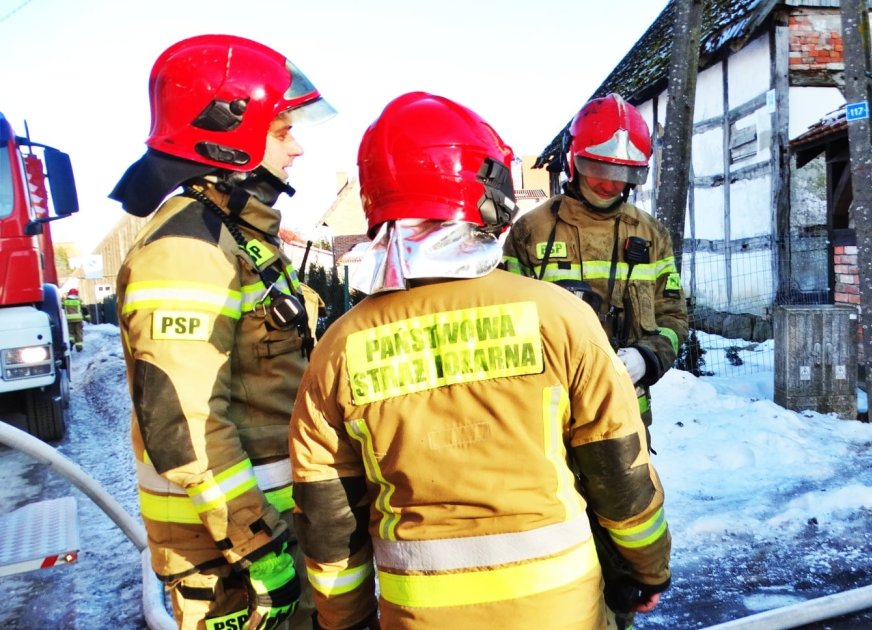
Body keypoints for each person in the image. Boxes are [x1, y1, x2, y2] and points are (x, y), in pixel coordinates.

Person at [288, 92, 671, 630]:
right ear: (489, 194)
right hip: (559, 610)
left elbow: (328, 512)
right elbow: (619, 471)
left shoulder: (338, 349)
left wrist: (344, 621)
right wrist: (648, 569)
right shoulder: (560, 315)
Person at [110, 34, 334, 630]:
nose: (298, 148)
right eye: (282, 131)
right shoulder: (188, 250)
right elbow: (184, 424)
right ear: (228, 131)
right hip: (232, 557)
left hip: (268, 529)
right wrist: (257, 545)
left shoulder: (234, 236)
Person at [501, 93, 688, 433]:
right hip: (548, 418)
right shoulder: (531, 231)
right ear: (574, 162)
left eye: (623, 174)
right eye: (599, 170)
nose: (610, 184)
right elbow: (505, 323)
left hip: (625, 413)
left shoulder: (651, 235)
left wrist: (647, 357)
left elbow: (673, 317)